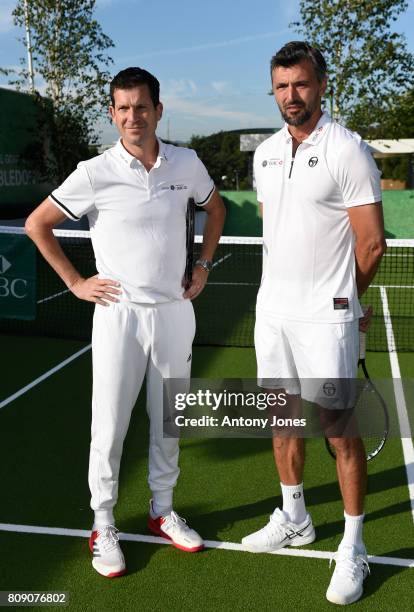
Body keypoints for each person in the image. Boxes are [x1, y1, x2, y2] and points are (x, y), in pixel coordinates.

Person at [25, 67, 226, 578]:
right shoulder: (94, 171)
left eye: (141, 106)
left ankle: (162, 510)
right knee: (110, 425)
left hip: (175, 313)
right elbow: (37, 224)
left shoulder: (187, 162)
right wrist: (75, 283)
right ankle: (104, 522)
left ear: (159, 110)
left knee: (169, 420)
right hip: (118, 317)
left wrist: (202, 265)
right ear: (112, 114)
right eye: (123, 108)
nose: (132, 116)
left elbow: (215, 210)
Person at [241, 42, 385, 605]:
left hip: (326, 320)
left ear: (321, 85)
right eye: (281, 86)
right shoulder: (266, 152)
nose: (290, 96)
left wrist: (346, 300)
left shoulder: (348, 150)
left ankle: (354, 545)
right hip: (271, 313)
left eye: (300, 84)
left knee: (339, 433)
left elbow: (371, 242)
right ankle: (296, 518)